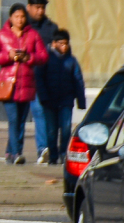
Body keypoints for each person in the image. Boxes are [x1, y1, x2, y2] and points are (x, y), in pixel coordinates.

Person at [0, 3, 49, 165]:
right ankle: (16, 153)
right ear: (10, 18)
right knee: (14, 119)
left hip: (27, 84)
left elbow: (43, 56)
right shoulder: (2, 35)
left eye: (22, 16)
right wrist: (8, 56)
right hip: (8, 85)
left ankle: (10, 152)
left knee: (21, 121)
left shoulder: (33, 35)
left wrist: (28, 58)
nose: (20, 20)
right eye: (17, 17)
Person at [35, 29, 86, 165]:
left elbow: (78, 81)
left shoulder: (72, 60)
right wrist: (43, 97)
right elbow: (39, 79)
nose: (64, 46)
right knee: (51, 131)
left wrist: (81, 101)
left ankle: (64, 153)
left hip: (66, 100)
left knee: (66, 128)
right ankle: (53, 156)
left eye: (66, 43)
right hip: (49, 100)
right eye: (61, 43)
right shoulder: (45, 58)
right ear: (54, 44)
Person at [25, 0, 59, 163]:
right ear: (28, 8)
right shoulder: (23, 27)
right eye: (37, 8)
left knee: (43, 112)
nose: (40, 11)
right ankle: (14, 151)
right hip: (25, 76)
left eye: (42, 8)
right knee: (21, 115)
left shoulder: (51, 28)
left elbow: (59, 50)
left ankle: (46, 149)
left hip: (46, 76)